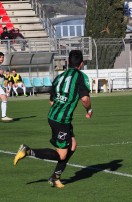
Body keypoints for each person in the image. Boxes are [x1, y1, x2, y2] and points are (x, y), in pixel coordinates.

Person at [14, 50, 93, 188]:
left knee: (73, 146)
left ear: (68, 62)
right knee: (62, 155)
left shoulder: (59, 77)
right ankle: (28, 151)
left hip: (58, 117)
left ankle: (55, 177)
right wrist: (89, 110)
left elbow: (51, 101)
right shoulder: (81, 77)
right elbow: (85, 99)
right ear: (81, 64)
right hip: (60, 121)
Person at [0, 52, 13, 121]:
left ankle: (4, 116)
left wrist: (5, 88)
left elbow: (2, 78)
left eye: (3, 57)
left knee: (4, 98)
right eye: (0, 57)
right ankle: (3, 116)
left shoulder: (1, 66)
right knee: (4, 98)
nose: (2, 59)